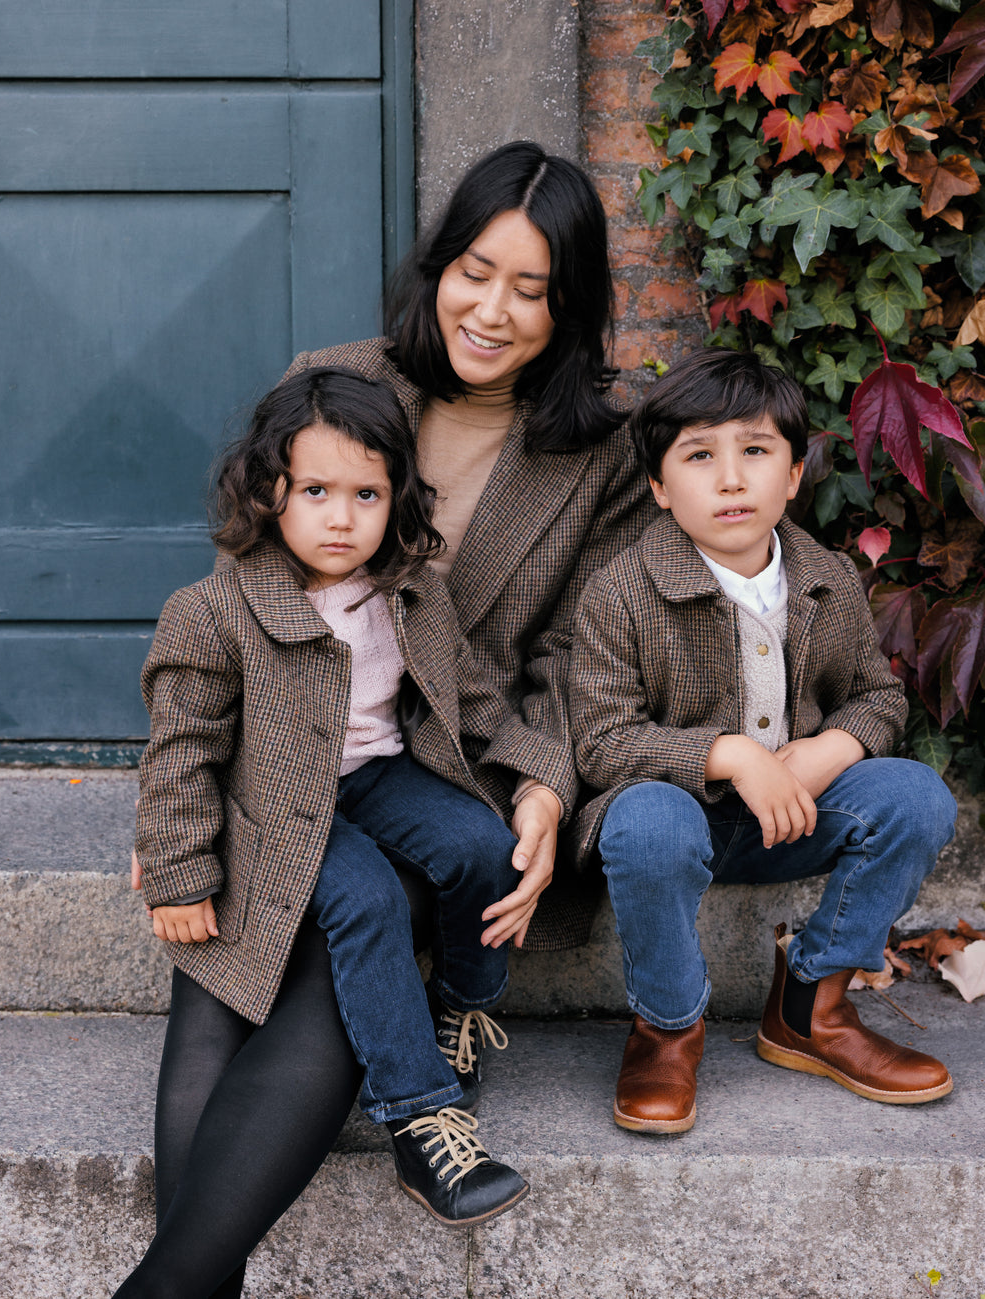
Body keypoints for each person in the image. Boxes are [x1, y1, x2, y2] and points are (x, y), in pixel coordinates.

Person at [121, 140, 654, 1297]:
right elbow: (243, 593)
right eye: (475, 272)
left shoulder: (602, 448)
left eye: (531, 288)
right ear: (437, 267)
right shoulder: (337, 379)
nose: (492, 311)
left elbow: (581, 648)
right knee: (226, 971)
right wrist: (181, 829)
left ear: (570, 305)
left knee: (349, 936)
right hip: (283, 754)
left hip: (449, 764)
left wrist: (545, 781)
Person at [569, 348, 957, 1136]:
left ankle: (812, 1004)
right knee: (644, 821)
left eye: (755, 450)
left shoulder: (828, 578)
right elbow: (602, 741)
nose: (731, 478)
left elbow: (878, 698)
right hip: (677, 824)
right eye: (699, 456)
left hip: (795, 815)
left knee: (917, 797)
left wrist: (828, 750)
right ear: (658, 487)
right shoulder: (620, 590)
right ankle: (667, 1028)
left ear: (792, 474)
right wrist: (731, 754)